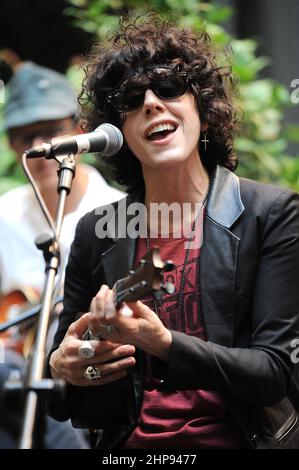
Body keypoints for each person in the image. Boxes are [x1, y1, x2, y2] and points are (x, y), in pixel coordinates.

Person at [48, 16, 299, 449]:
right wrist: (71, 370)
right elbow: (76, 407)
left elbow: (274, 374)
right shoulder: (97, 232)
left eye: (168, 87)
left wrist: (163, 344)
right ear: (119, 131)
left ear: (200, 105)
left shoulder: (270, 215)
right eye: (131, 98)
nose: (151, 103)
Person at [0, 59, 125, 448]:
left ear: (80, 131)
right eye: (27, 137)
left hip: (85, 372)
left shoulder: (121, 213)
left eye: (53, 132)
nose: (43, 148)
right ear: (12, 146)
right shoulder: (3, 214)